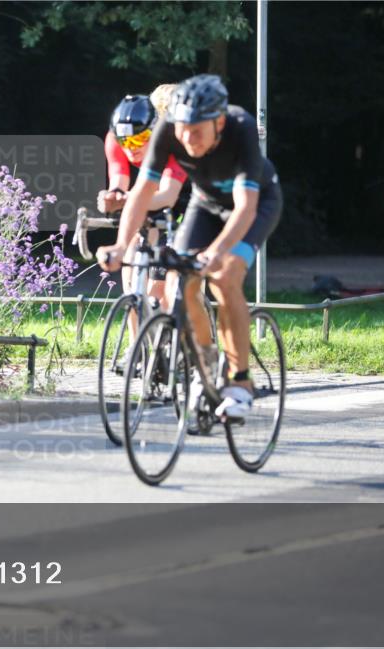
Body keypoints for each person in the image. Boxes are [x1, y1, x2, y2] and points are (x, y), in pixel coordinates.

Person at [96, 74, 282, 419]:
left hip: (254, 206)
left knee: (224, 278)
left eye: (198, 130)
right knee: (181, 283)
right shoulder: (168, 129)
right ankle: (204, 361)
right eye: (182, 129)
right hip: (206, 204)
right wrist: (121, 245)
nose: (188, 138)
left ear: (219, 122)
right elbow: (141, 194)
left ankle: (239, 382)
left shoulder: (240, 129)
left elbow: (244, 209)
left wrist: (214, 253)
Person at [99, 94, 189, 345]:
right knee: (132, 285)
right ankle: (135, 346)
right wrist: (112, 196)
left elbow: (168, 197)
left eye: (138, 140)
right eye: (124, 141)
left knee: (160, 290)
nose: (131, 147)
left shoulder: (170, 142)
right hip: (148, 198)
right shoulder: (115, 140)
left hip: (182, 199)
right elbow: (120, 182)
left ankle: (185, 345)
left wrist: (127, 199)